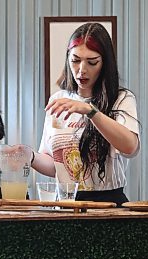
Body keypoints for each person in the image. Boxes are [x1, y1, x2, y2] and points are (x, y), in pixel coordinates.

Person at [31, 22, 140, 206]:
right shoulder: (58, 99)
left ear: (105, 63)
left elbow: (130, 147)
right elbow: (54, 166)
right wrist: (28, 156)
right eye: (75, 60)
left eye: (92, 62)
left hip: (108, 204)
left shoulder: (121, 98)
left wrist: (90, 111)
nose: (82, 70)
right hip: (66, 204)